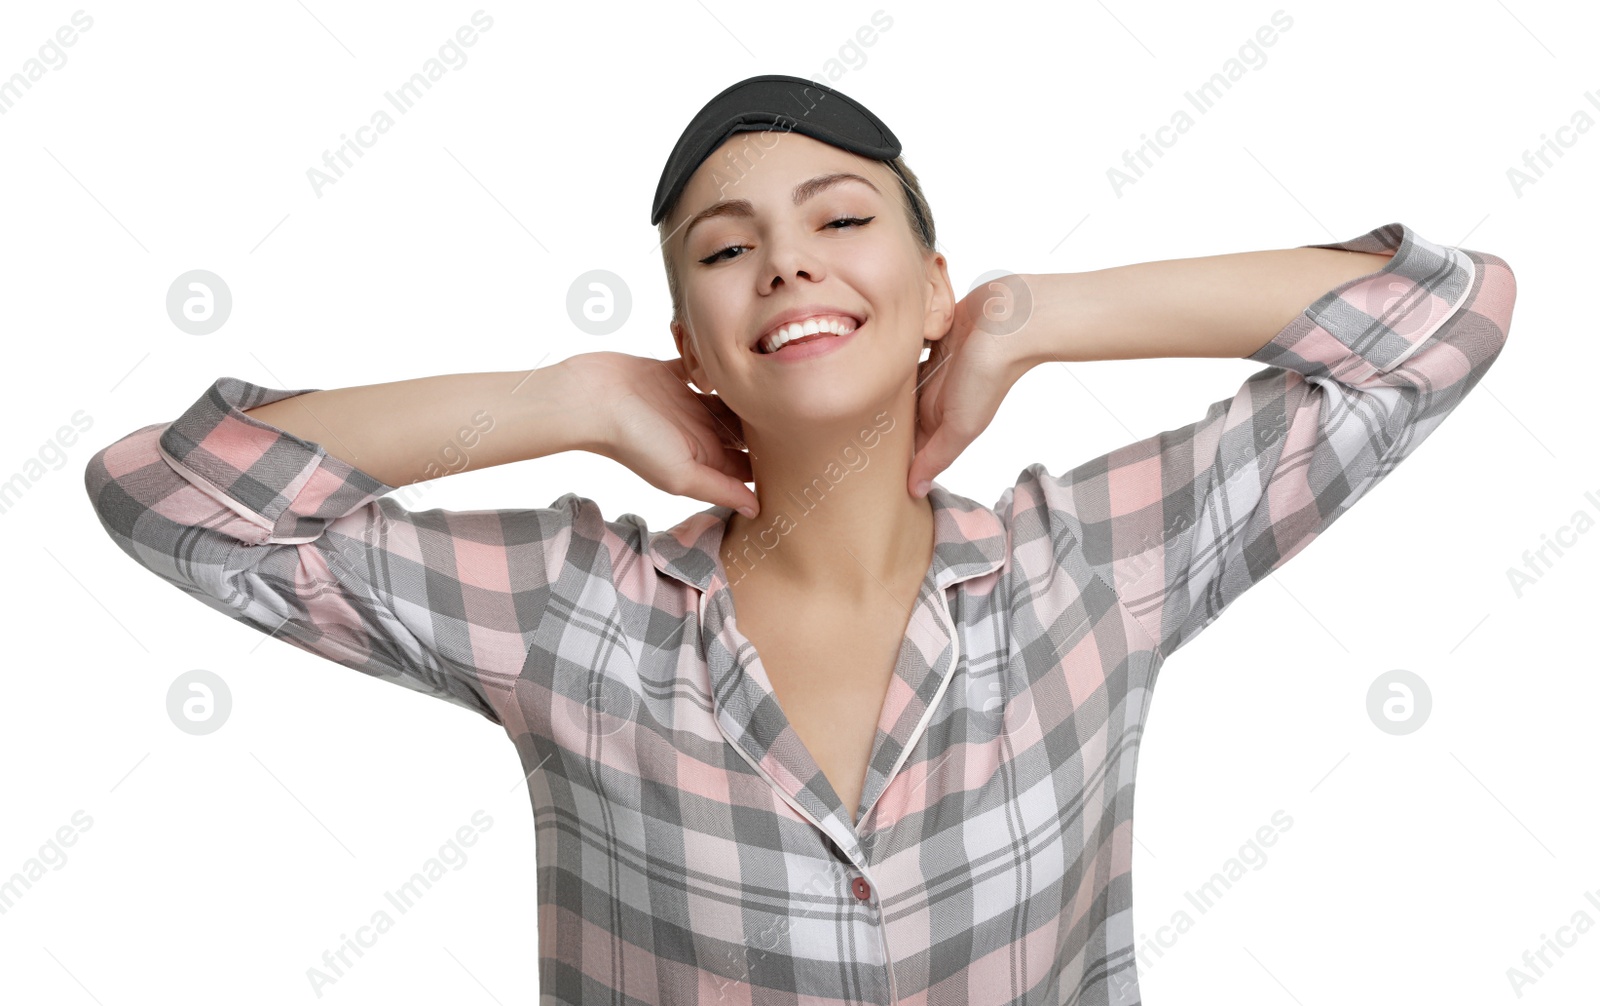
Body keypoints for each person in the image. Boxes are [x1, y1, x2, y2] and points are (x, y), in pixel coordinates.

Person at [84, 73, 1517, 1005]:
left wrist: (1039, 316)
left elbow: (1445, 322)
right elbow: (170, 492)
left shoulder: (1092, 564)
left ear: (928, 278)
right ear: (690, 343)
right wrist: (565, 399)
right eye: (724, 248)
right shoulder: (569, 611)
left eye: (842, 217)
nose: (786, 259)